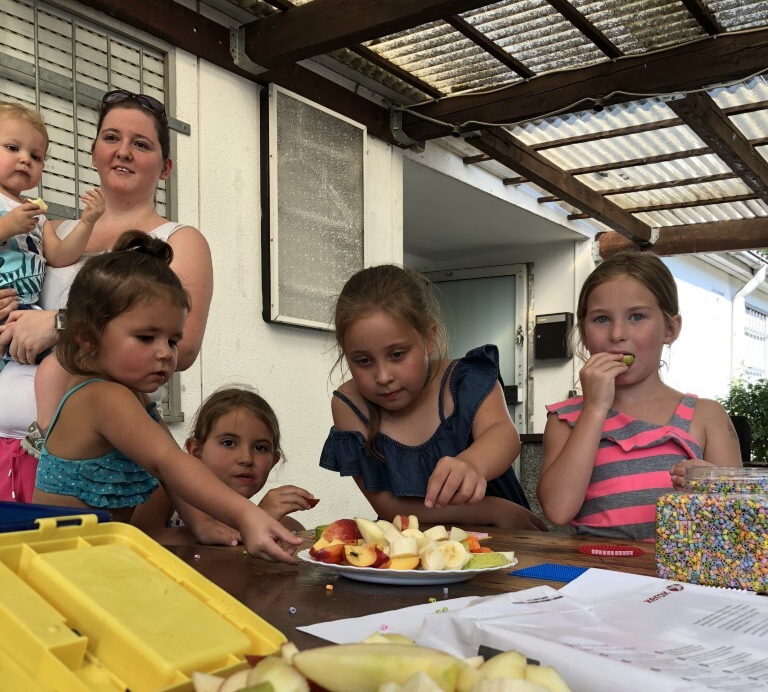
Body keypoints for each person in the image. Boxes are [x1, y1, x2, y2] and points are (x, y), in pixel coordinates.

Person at [31, 231, 300, 564]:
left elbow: (172, 466)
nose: (165, 353)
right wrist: (246, 514)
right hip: (61, 564)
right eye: (146, 337)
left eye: (172, 341)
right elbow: (168, 462)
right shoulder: (101, 396)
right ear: (88, 337)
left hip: (95, 560)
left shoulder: (133, 395)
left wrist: (201, 523)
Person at [0, 88, 213, 503]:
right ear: (94, 151)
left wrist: (58, 323)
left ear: (166, 167)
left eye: (142, 144)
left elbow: (183, 348)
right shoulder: (51, 230)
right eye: (112, 138)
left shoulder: (178, 240)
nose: (123, 152)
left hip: (88, 459)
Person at [320, 264, 546, 530]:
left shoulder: (465, 378)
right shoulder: (348, 405)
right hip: (413, 546)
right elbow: (387, 506)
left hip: (503, 539)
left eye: (397, 355)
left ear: (428, 339)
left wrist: (473, 463)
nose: (383, 376)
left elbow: (504, 435)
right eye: (363, 361)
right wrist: (493, 510)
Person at [537, 252, 743, 541]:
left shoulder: (707, 417)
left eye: (637, 317)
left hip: (681, 568)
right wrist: (594, 409)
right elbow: (558, 510)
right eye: (601, 319)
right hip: (595, 567)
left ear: (670, 329)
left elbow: (739, 524)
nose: (617, 334)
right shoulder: (566, 419)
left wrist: (713, 488)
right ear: (583, 334)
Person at [0, 101, 104, 418]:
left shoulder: (38, 214)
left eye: (36, 156)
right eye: (12, 148)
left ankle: (51, 429)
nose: (25, 159)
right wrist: (8, 226)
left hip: (25, 314)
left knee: (63, 363)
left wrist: (87, 222)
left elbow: (59, 256)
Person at [134, 386, 318, 537]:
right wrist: (255, 521)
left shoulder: (280, 522)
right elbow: (138, 549)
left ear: (274, 461)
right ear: (195, 451)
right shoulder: (167, 491)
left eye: (260, 448)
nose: (246, 459)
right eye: (229, 443)